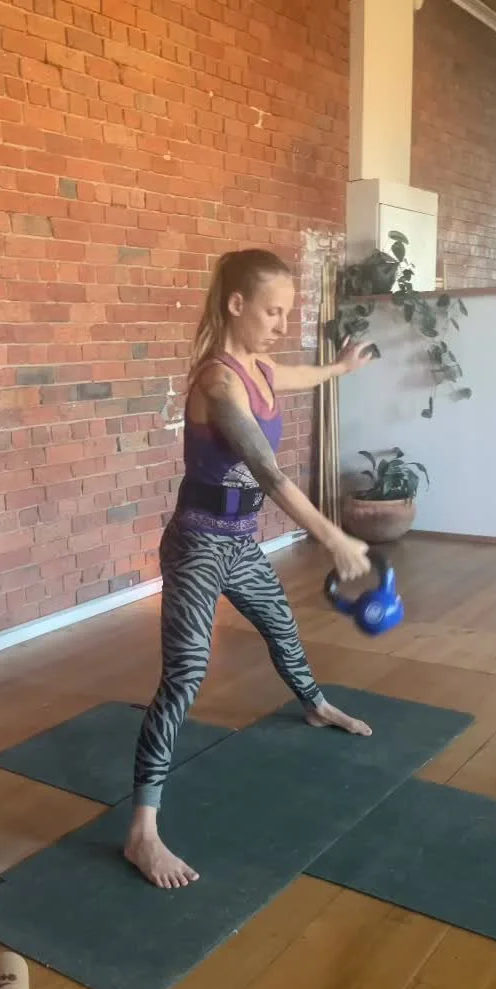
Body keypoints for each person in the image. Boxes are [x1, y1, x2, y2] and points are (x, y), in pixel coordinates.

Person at [124, 248, 376, 889]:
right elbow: (266, 470)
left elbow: (301, 375)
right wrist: (333, 538)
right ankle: (142, 833)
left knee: (282, 628)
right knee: (186, 674)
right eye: (272, 311)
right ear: (237, 304)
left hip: (240, 544)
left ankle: (315, 705)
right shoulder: (219, 382)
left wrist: (341, 368)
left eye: (287, 312)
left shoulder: (259, 368)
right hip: (198, 545)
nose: (281, 324)